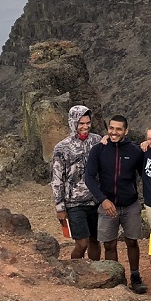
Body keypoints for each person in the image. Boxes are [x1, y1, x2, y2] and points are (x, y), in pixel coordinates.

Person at [84, 114, 147, 293]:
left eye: (119, 129)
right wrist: (102, 200)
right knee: (109, 244)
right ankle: (116, 278)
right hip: (107, 204)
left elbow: (145, 174)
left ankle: (135, 276)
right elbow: (89, 177)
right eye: (111, 128)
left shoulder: (134, 151)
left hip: (130, 205)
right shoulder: (99, 150)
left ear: (125, 131)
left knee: (132, 241)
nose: (114, 132)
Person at [51, 105, 101, 261]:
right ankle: (75, 270)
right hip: (74, 204)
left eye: (88, 123)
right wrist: (60, 208)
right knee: (82, 243)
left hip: (96, 201)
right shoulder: (62, 148)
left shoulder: (97, 141)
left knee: (95, 240)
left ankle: (96, 271)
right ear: (73, 123)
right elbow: (57, 179)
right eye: (81, 123)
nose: (85, 127)